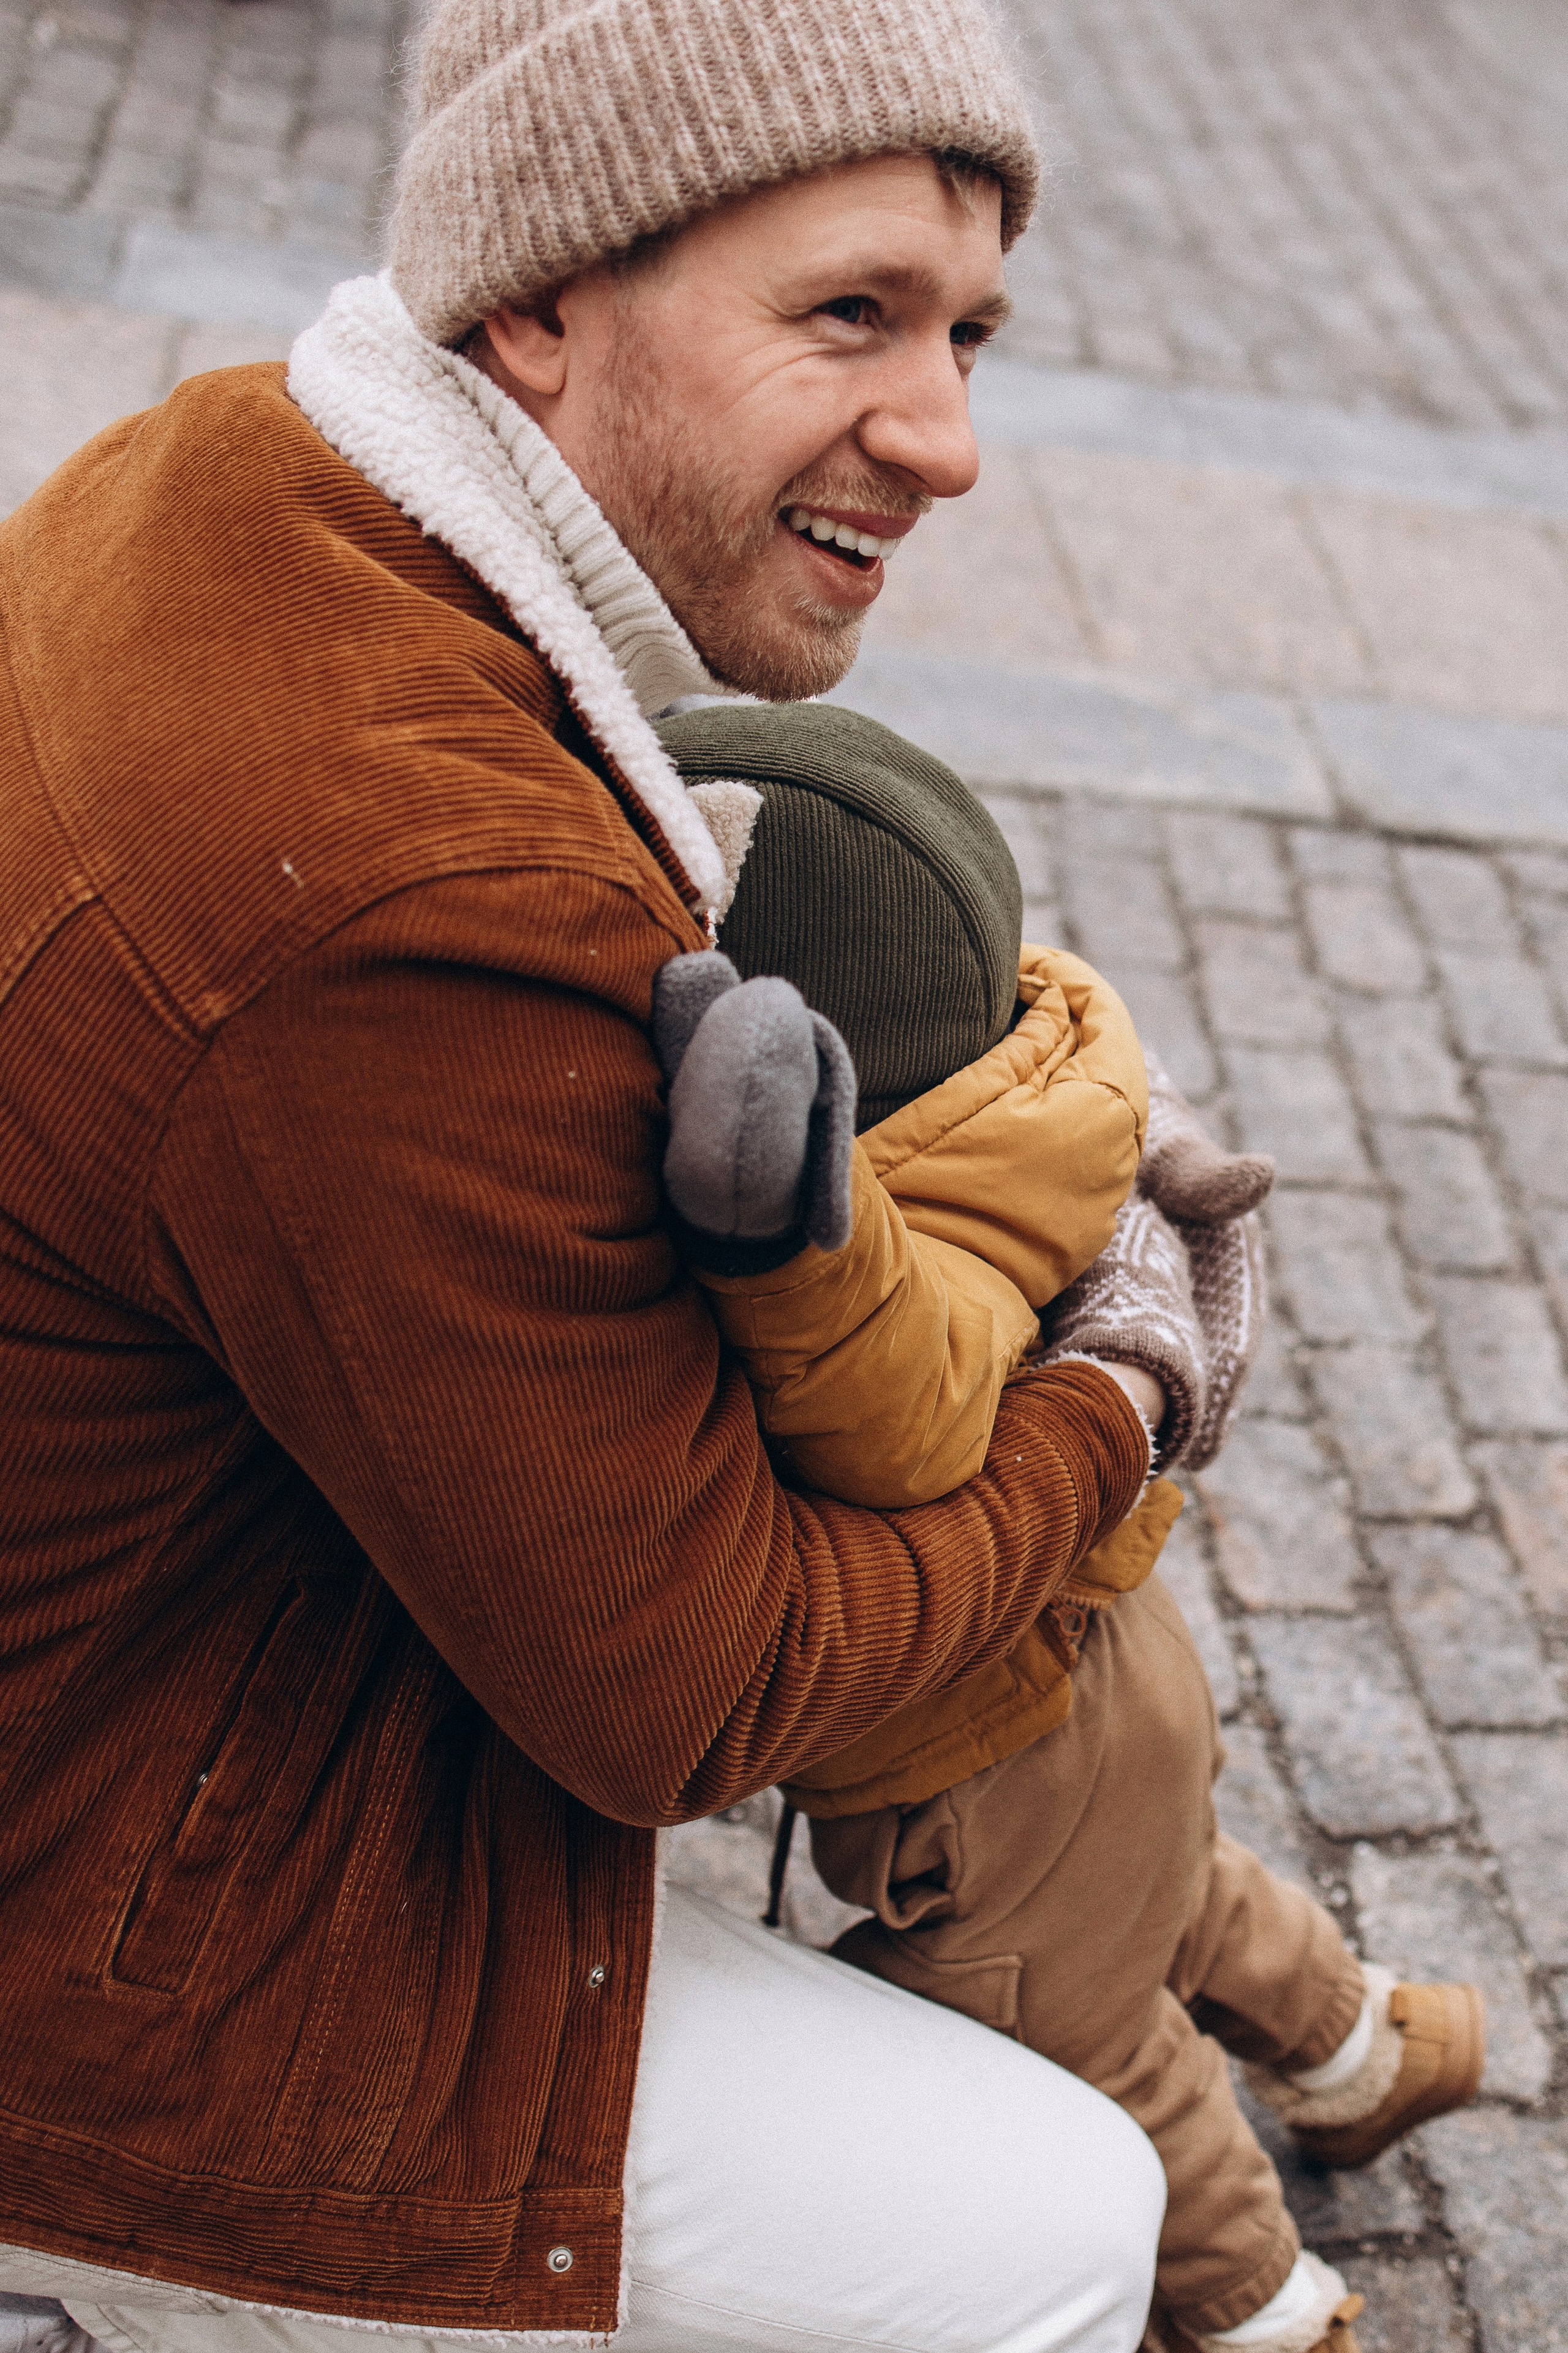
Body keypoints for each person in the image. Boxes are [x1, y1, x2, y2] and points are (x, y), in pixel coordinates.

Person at [0, 4, 1176, 2352]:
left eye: (966, 331)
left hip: (151, 1659)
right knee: (1055, 2223)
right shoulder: (418, 885)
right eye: (848, 313)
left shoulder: (219, 466)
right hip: (110, 1937)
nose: (945, 437)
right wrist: (1119, 1390)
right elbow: (699, 1692)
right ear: (535, 297)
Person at [640, 701, 1487, 2353]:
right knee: (1167, 1888)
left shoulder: (909, 1244)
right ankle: (1371, 2045)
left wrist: (781, 1241)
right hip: (1111, 1681)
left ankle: (1271, 2315)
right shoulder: (1044, 1065)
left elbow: (896, 1392)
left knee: (1091, 2042)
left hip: (995, 1775)